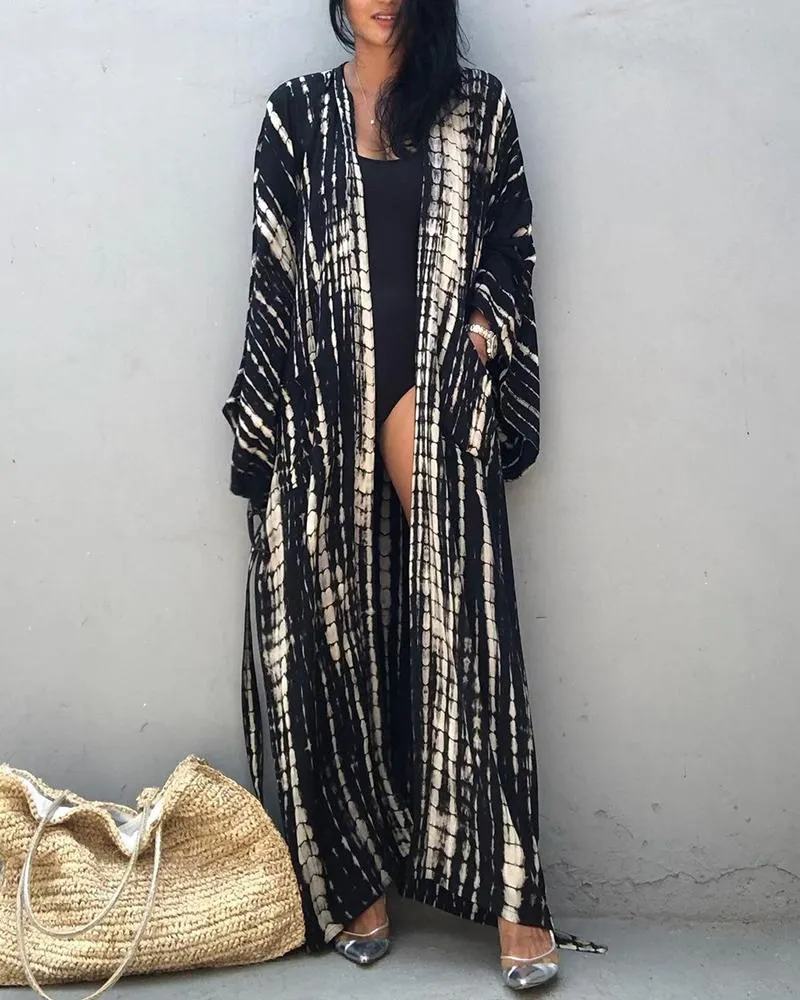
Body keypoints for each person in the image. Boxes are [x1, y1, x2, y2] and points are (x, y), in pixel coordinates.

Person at [223, 0, 606, 990]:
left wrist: (479, 333)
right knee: (333, 641)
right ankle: (356, 882)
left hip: (429, 396)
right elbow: (273, 279)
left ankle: (517, 896)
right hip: (323, 406)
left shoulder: (476, 108)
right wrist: (259, 434)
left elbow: (511, 244)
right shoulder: (295, 115)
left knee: (466, 637)